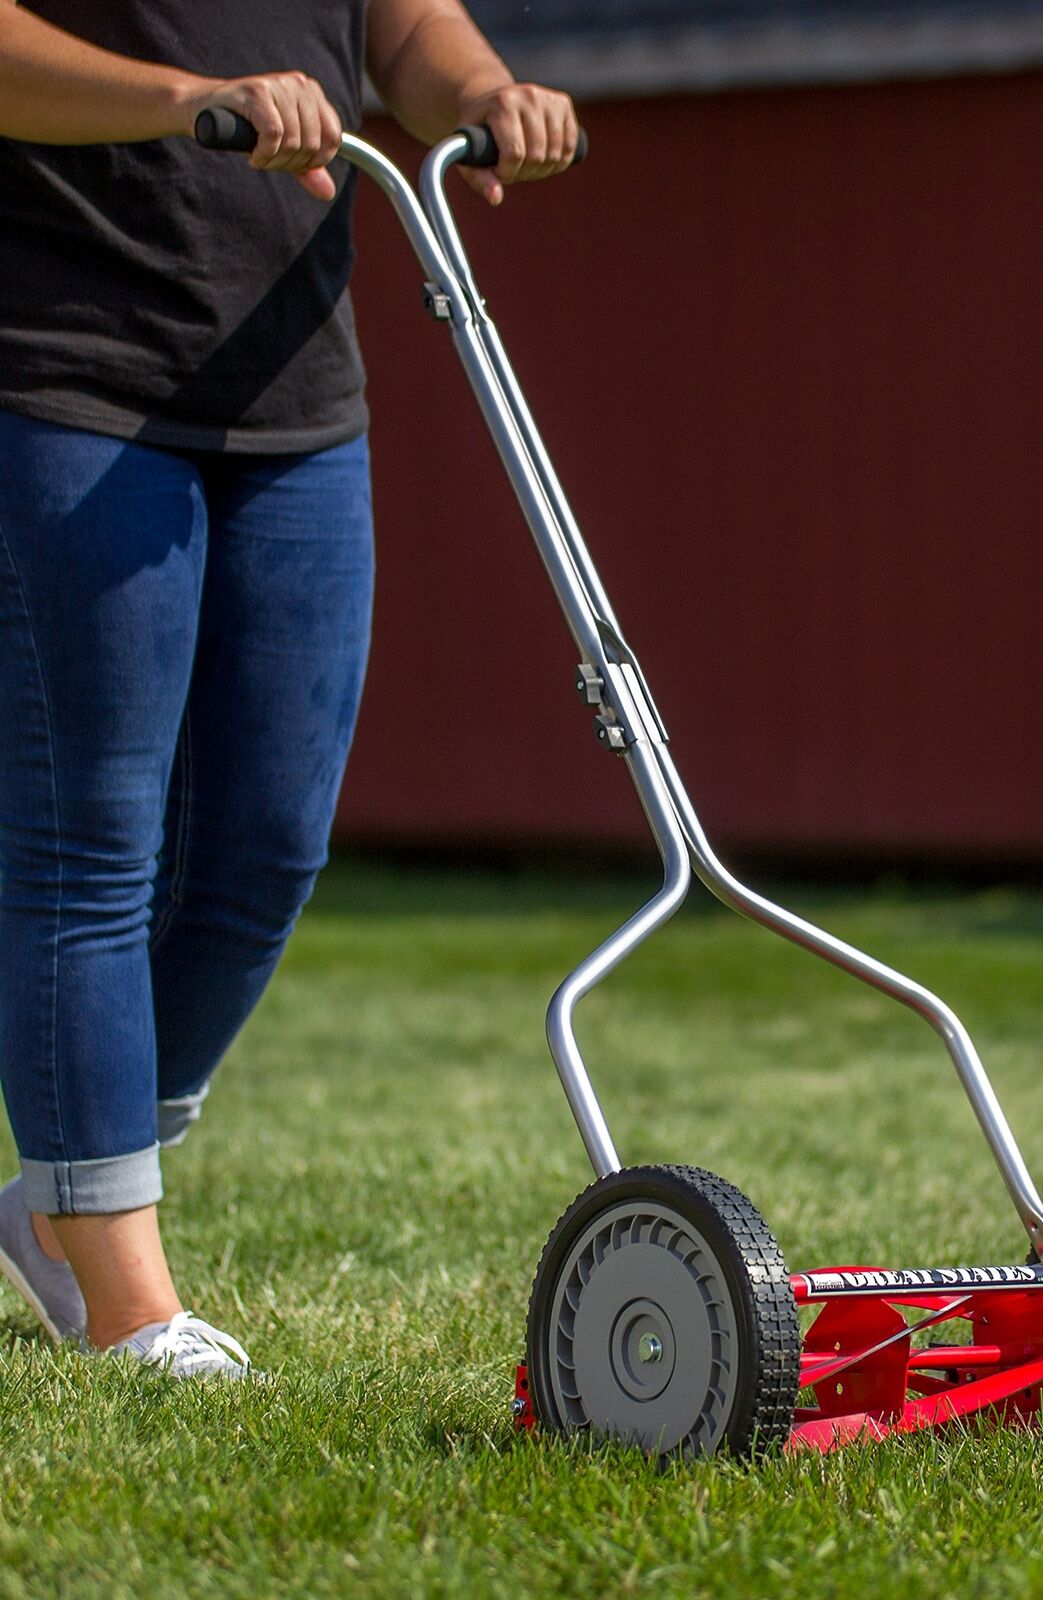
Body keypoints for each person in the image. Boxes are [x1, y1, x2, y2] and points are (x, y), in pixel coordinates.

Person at [0, 0, 578, 1378]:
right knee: (92, 842)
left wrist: (487, 92)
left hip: (295, 384)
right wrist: (181, 96)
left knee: (266, 848)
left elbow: (402, 26)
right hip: (71, 370)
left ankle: (57, 1195)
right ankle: (127, 1299)